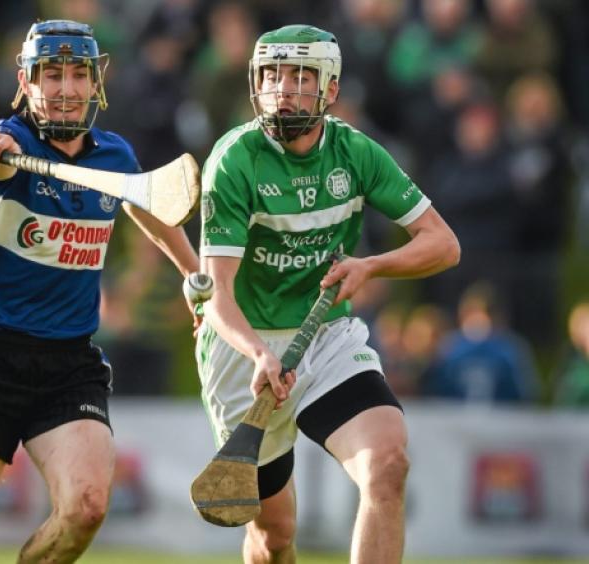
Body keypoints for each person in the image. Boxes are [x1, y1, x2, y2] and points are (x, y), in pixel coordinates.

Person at [0, 20, 199, 564]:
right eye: (51, 75)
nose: (66, 89)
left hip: (68, 365)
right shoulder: (10, 145)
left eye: (78, 74)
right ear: (27, 83)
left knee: (88, 506)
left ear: (97, 82)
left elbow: (146, 205)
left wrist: (192, 275)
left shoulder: (113, 158)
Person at [196, 25, 460, 563]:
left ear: (330, 88)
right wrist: (259, 353)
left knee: (387, 464)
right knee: (276, 535)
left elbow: (443, 244)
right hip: (245, 346)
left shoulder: (355, 153)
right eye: (272, 75)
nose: (283, 89)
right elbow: (216, 294)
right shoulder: (233, 160)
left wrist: (372, 267)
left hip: (326, 336)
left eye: (300, 76)